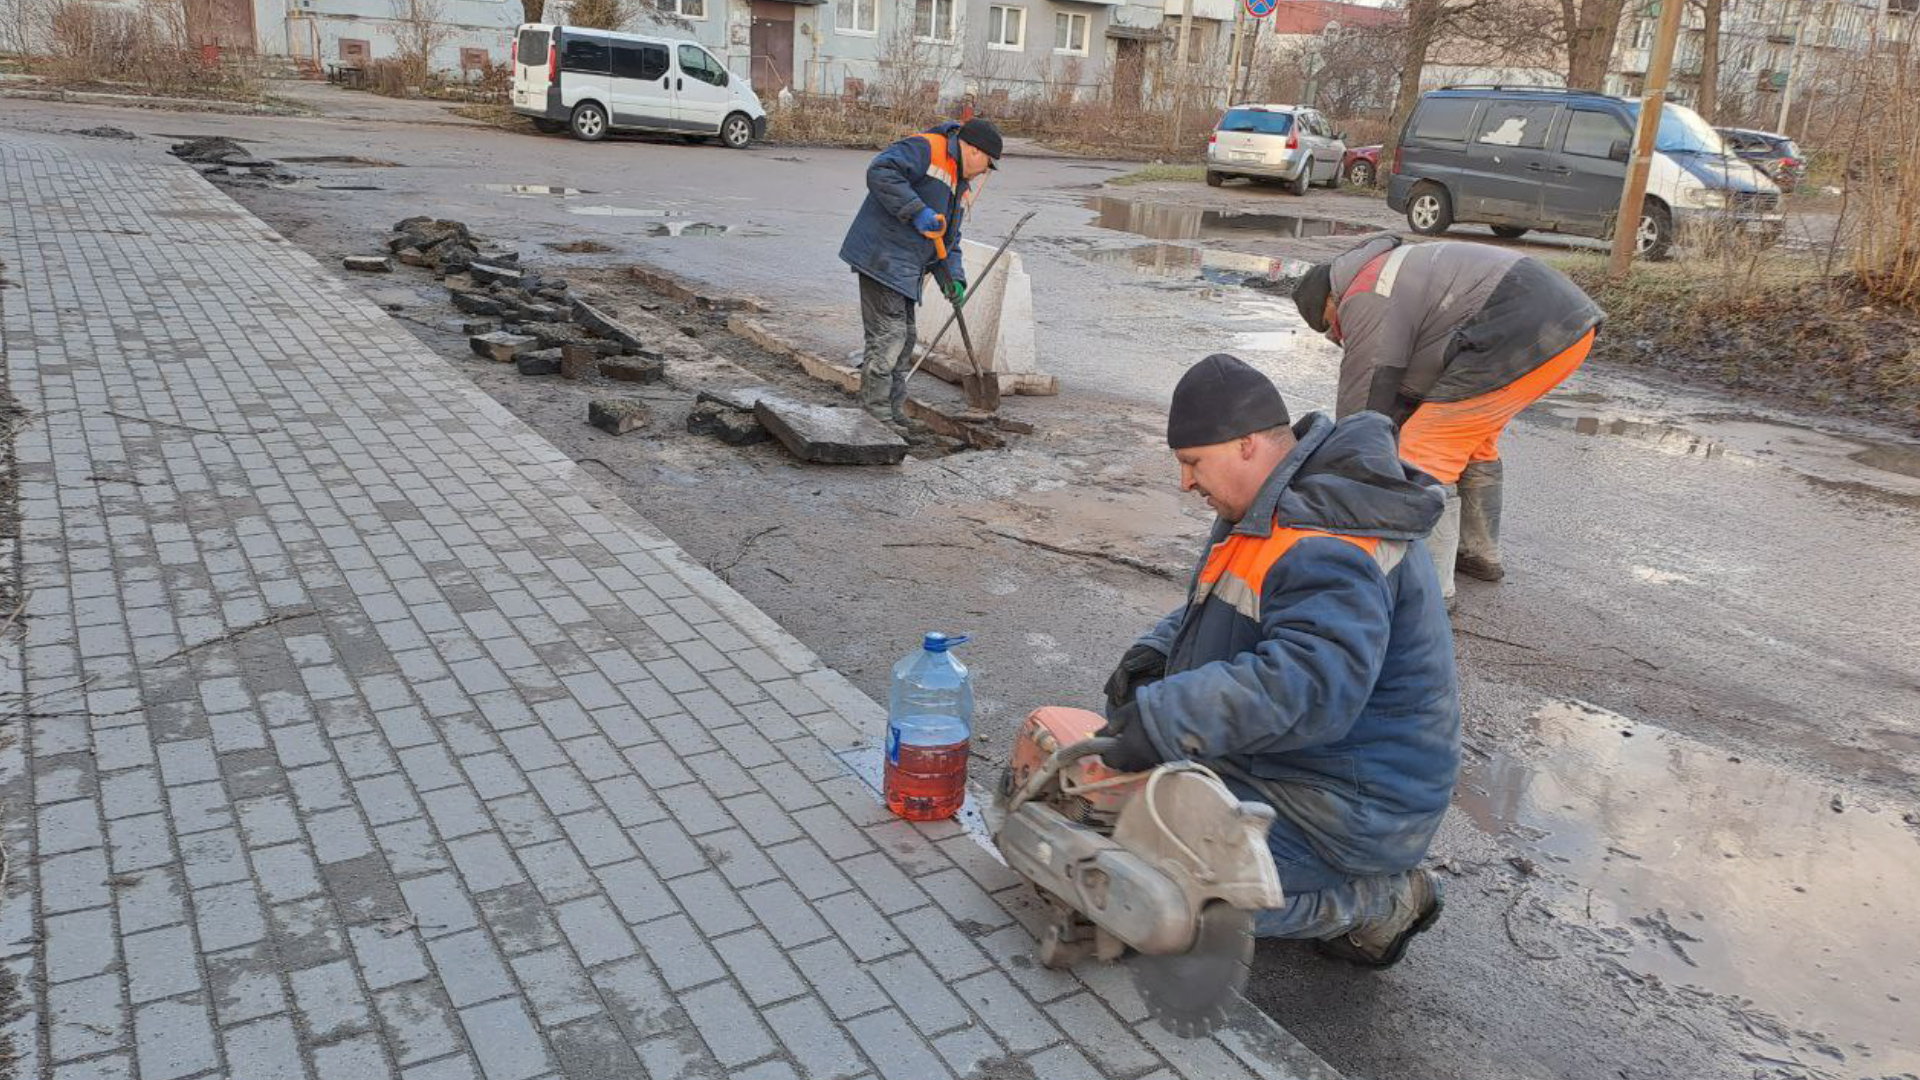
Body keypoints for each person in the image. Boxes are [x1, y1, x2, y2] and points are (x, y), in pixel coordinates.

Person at [1099, 353, 1460, 967]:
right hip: (1294, 766)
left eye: (1192, 464)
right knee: (1126, 828)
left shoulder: (1327, 539)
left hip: (1348, 805)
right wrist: (1155, 658)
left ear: (1245, 446)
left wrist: (1167, 718)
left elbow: (1311, 685)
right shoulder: (1270, 501)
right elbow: (1227, 606)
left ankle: (1380, 901)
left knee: (1171, 899)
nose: (1186, 483)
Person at [1291, 237, 1604, 597]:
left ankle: (1430, 591)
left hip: (1523, 326)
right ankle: (1478, 551)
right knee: (1469, 438)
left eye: (1331, 324)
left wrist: (1343, 476)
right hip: (1567, 328)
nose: (1337, 334)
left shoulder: (1364, 293)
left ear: (1331, 300)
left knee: (1424, 453)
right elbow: (1414, 372)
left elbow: (1363, 407)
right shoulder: (1387, 270)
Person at [838, 117, 1002, 425]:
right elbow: (880, 171)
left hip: (904, 267)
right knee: (890, 336)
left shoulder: (958, 185)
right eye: (987, 164)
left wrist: (953, 279)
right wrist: (917, 211)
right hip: (882, 254)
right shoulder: (926, 148)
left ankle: (892, 411)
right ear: (974, 151)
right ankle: (876, 416)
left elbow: (948, 239)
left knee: (905, 338)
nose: (983, 173)